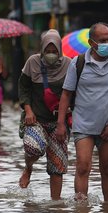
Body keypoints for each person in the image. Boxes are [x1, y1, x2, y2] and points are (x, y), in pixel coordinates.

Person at [55, 22, 108, 202]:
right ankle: (81, 209)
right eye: (102, 40)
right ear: (91, 43)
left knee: (107, 168)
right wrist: (60, 123)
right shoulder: (78, 63)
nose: (107, 43)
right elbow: (66, 94)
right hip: (83, 125)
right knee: (82, 166)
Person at [17, 29, 71, 200]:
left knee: (57, 165)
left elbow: (74, 93)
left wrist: (68, 120)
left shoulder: (69, 65)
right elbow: (23, 88)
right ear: (41, 50)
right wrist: (28, 110)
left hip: (59, 121)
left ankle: (55, 205)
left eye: (54, 51)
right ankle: (28, 168)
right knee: (33, 148)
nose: (51, 54)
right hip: (36, 119)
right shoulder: (32, 63)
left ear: (60, 50)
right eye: (47, 51)